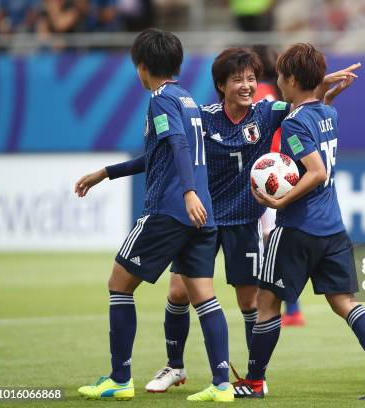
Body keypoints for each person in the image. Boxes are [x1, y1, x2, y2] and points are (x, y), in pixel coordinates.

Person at [144, 47, 360, 393]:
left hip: (245, 220)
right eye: (237, 79)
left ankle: (252, 376)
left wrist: (321, 83)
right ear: (220, 85)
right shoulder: (204, 117)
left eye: (251, 79)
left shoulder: (267, 111)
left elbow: (303, 102)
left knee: (249, 301)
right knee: (177, 290)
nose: (247, 86)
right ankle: (175, 366)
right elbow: (172, 151)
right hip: (204, 219)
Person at [230, 43, 365, 400]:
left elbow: (316, 172)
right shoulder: (329, 113)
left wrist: (280, 199)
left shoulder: (295, 123)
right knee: (345, 302)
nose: (277, 81)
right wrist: (322, 86)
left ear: (292, 79)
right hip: (333, 229)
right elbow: (315, 102)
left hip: (297, 228)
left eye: (280, 75)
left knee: (267, 303)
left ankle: (254, 381)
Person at [74, 28, 234, 402]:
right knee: (204, 296)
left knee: (118, 284)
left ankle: (119, 378)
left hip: (169, 209)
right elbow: (162, 153)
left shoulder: (160, 99)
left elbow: (176, 145)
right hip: (202, 214)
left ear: (142, 67)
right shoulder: (187, 99)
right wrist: (107, 173)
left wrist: (187, 191)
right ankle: (223, 385)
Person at [252, 44, 305, 327]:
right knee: (273, 241)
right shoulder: (281, 96)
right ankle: (291, 309)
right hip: (281, 171)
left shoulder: (257, 94)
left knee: (268, 242)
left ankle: (277, 307)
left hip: (263, 175)